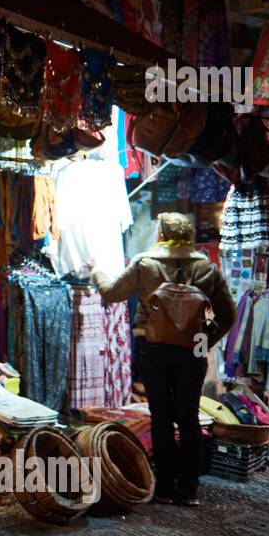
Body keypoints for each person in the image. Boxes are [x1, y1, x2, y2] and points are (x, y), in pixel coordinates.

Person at [89, 212, 236, 506]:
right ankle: (189, 490)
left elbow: (111, 293)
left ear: (161, 234)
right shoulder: (207, 266)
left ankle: (166, 487)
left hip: (153, 346)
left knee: (162, 417)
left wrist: (96, 271)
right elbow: (228, 315)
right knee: (189, 417)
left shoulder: (145, 264)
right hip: (193, 347)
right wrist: (204, 341)